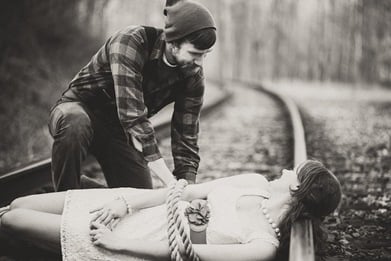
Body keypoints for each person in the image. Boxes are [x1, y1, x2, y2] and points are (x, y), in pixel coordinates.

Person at [0, 160, 342, 261]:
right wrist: (125, 201)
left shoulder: (262, 244)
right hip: (133, 209)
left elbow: (182, 252)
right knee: (19, 204)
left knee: (14, 220)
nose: (284, 171)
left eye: (292, 172)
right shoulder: (253, 182)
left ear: (296, 187)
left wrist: (116, 245)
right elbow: (185, 191)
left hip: (134, 240)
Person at [48, 0, 217, 191]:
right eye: (195, 53)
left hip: (119, 130)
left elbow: (186, 137)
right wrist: (169, 182)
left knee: (140, 199)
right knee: (76, 122)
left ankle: (81, 187)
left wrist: (186, 186)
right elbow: (133, 116)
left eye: (205, 54)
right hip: (78, 108)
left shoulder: (192, 75)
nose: (200, 63)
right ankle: (64, 195)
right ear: (173, 43)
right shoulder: (131, 41)